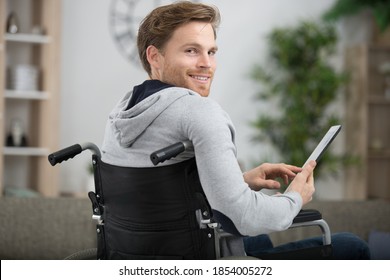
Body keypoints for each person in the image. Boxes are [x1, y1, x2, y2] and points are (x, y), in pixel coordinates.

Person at [101, 1, 370, 259]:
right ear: (154, 56)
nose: (207, 63)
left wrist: (237, 181)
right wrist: (294, 199)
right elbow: (240, 217)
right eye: (191, 51)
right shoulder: (201, 112)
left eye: (211, 51)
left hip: (141, 258)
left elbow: (160, 197)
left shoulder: (120, 114)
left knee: (259, 242)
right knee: (352, 246)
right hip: (203, 258)